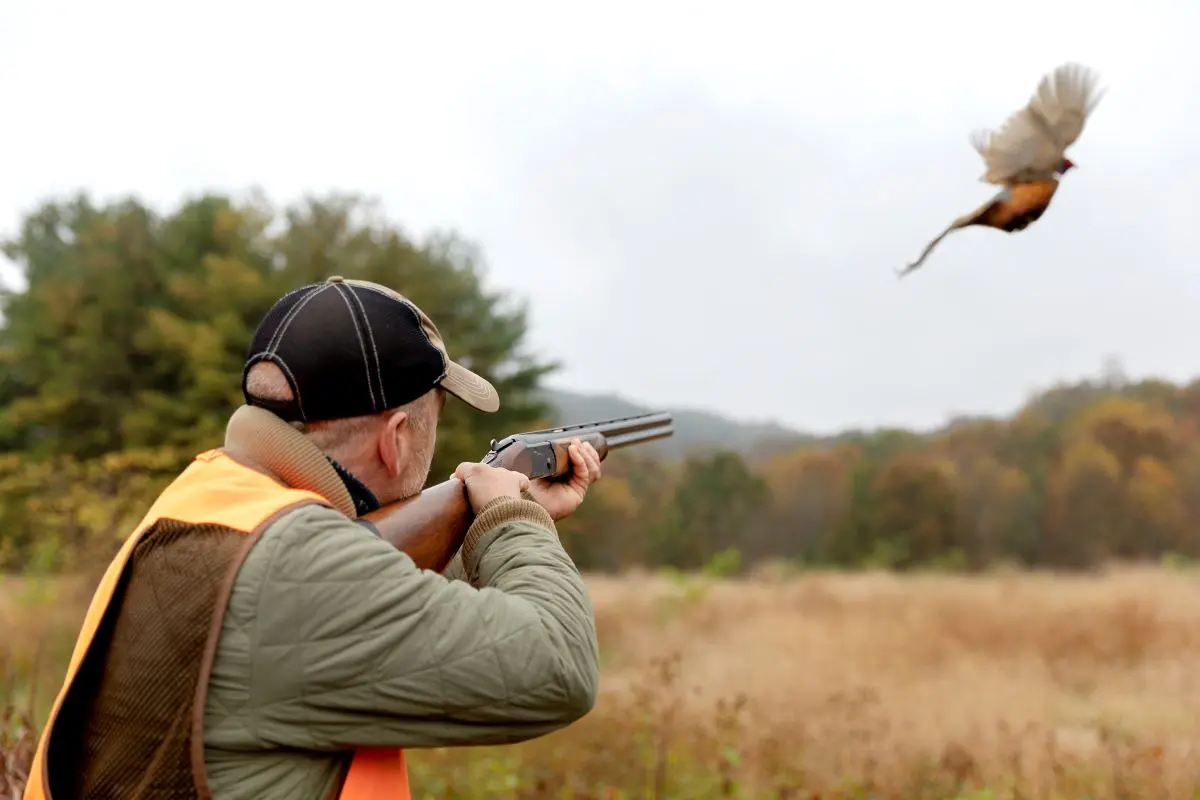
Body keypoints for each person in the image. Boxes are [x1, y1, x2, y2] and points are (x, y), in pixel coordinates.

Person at [24, 276, 603, 800]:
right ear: (396, 437)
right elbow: (559, 665)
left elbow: (368, 605)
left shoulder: (210, 498)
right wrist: (510, 519)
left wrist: (500, 521)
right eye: (437, 415)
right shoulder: (297, 561)